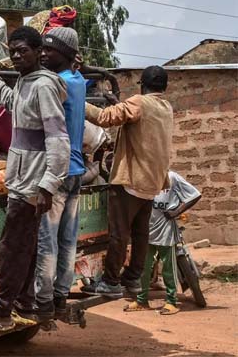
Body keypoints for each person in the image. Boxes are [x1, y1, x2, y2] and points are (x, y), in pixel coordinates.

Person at [0, 26, 70, 335]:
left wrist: (48, 184)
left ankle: (1, 312)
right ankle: (24, 301)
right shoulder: (26, 82)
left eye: (23, 50)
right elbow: (13, 104)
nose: (17, 56)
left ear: (39, 52)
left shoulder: (44, 87)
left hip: (33, 184)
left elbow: (58, 140)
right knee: (27, 245)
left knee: (13, 247)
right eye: (13, 51)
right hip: (22, 179)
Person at [81, 65, 173, 297]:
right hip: (152, 182)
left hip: (131, 179)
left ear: (142, 85)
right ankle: (132, 278)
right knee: (140, 234)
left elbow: (103, 118)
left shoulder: (139, 102)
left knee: (118, 233)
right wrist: (117, 103)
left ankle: (111, 281)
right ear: (164, 86)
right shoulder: (165, 106)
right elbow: (133, 119)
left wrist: (76, 100)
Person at [31, 27, 86, 320]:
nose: (43, 54)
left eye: (49, 50)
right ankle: (61, 294)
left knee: (47, 240)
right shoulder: (77, 81)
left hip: (58, 173)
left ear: (64, 54)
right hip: (77, 170)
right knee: (68, 239)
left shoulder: (55, 85)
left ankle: (43, 300)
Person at [124, 171, 201, 315]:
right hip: (145, 230)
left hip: (165, 231)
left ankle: (171, 301)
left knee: (168, 268)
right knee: (143, 268)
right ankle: (142, 300)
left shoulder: (171, 177)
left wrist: (177, 212)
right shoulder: (141, 175)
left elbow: (195, 194)